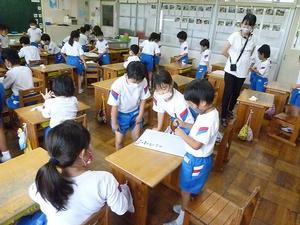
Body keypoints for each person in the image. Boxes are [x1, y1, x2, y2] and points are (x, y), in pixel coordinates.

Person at [22, 121, 133, 225]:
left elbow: (32, 192)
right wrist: (124, 190)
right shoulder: (104, 179)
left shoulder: (41, 185)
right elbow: (121, 209)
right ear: (83, 153)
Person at [164, 79, 219, 225]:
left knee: (186, 189)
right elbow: (196, 127)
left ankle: (182, 219)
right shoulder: (208, 112)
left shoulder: (209, 120)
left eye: (190, 103)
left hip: (197, 161)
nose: (189, 106)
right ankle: (184, 208)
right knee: (187, 187)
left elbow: (196, 145)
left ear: (201, 102)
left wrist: (180, 133)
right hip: (194, 159)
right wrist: (183, 124)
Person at [221, 13, 257, 127]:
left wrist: (247, 65)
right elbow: (224, 51)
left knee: (236, 93)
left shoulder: (253, 39)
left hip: (242, 72)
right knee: (228, 92)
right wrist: (232, 61)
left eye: (249, 25)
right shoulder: (234, 36)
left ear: (253, 27)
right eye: (245, 24)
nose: (247, 27)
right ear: (241, 23)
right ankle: (222, 115)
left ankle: (230, 110)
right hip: (231, 70)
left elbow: (250, 55)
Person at [107, 61, 150, 150]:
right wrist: (114, 122)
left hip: (135, 112)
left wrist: (140, 115)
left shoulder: (143, 80)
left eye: (139, 82)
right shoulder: (117, 85)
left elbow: (143, 99)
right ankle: (119, 159)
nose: (137, 84)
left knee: (137, 139)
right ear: (126, 75)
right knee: (119, 142)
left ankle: (133, 159)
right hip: (121, 115)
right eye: (134, 82)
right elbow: (114, 106)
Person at [152, 69, 194, 134]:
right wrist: (158, 128)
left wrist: (179, 131)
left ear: (171, 83)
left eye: (164, 88)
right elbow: (160, 110)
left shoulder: (180, 102)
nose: (162, 92)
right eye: (158, 90)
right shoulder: (157, 94)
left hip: (187, 125)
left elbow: (191, 125)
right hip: (176, 122)